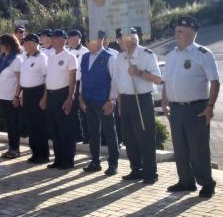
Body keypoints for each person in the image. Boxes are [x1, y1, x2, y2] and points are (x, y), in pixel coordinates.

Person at [163, 16, 220, 199]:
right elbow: (167, 81)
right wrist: (165, 101)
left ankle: (207, 183)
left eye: (180, 31)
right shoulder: (171, 55)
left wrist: (210, 106)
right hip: (176, 108)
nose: (176, 34)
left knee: (198, 149)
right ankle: (186, 182)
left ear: (192, 33)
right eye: (177, 30)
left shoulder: (203, 54)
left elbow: (215, 82)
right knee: (180, 148)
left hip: (197, 108)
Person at [110, 27, 163, 184]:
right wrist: (119, 104)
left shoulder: (147, 54)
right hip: (125, 100)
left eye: (121, 38)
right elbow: (118, 81)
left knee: (145, 137)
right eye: (118, 39)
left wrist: (139, 73)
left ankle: (150, 173)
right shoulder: (119, 57)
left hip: (142, 99)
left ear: (132, 38)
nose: (118, 41)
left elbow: (158, 79)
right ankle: (136, 169)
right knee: (129, 138)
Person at [80, 33, 118, 175]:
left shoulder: (110, 57)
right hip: (88, 101)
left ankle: (113, 163)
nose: (88, 43)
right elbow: (83, 78)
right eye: (87, 40)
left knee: (109, 133)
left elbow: (115, 80)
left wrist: (111, 100)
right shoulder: (84, 57)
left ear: (101, 40)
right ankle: (95, 161)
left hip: (104, 102)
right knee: (93, 133)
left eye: (91, 40)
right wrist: (80, 96)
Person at [41, 29, 78, 169]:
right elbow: (48, 80)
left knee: (66, 129)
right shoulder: (50, 57)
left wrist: (70, 98)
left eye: (55, 38)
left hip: (63, 95)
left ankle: (68, 160)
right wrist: (44, 98)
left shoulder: (70, 57)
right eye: (52, 38)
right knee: (54, 129)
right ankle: (58, 158)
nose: (53, 40)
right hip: (51, 95)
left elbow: (72, 80)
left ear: (63, 39)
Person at [18, 33, 49, 163]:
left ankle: (43, 155)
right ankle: (35, 153)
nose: (24, 44)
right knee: (31, 125)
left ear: (34, 43)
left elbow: (47, 79)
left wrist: (44, 98)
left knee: (39, 125)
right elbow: (24, 78)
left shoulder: (42, 58)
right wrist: (21, 94)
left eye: (26, 42)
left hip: (38, 93)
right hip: (27, 93)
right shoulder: (24, 57)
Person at [0, 33, 23, 159]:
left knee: (14, 124)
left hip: (12, 97)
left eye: (1, 43)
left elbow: (19, 80)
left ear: (8, 44)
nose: (0, 46)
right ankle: (10, 148)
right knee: (8, 124)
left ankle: (15, 149)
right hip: (2, 96)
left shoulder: (16, 59)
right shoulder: (0, 58)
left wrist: (17, 96)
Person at [68, 28, 89, 142]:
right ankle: (77, 135)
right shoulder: (67, 51)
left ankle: (87, 137)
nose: (73, 41)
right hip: (70, 83)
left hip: (82, 83)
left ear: (80, 39)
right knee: (71, 111)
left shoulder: (85, 52)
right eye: (70, 39)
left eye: (75, 39)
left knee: (84, 110)